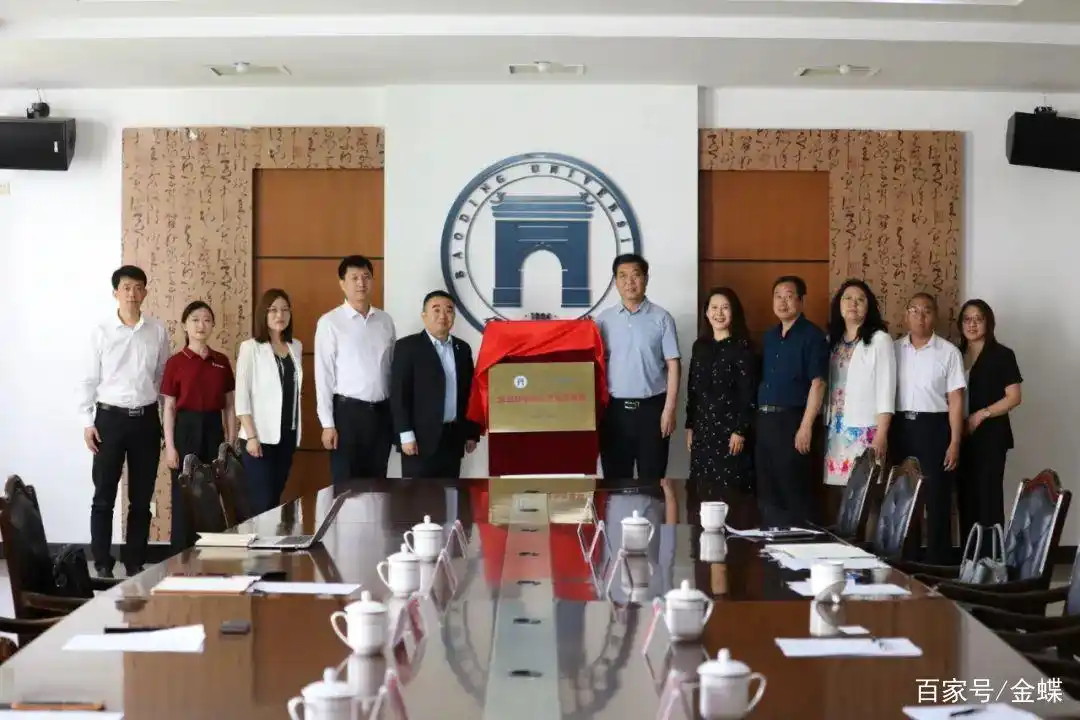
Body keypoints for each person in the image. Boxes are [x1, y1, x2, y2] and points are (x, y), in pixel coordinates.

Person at [78, 265, 170, 577]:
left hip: (145, 420)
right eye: (126, 287)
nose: (132, 293)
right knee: (104, 496)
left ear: (145, 292)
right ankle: (102, 563)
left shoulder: (157, 331)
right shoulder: (101, 331)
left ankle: (134, 562)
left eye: (138, 287)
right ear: (115, 292)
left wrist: (162, 423)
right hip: (109, 420)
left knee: (141, 499)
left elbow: (161, 378)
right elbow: (88, 379)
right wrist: (87, 422)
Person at [594, 254, 681, 490]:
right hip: (614, 412)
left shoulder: (662, 318)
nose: (629, 282)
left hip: (652, 410)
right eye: (622, 276)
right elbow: (595, 368)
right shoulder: (603, 321)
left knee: (652, 484)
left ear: (646, 279)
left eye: (636, 275)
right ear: (615, 281)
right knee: (614, 484)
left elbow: (673, 365)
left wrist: (669, 409)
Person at [890, 292, 965, 563]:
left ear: (935, 316)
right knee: (902, 497)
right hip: (900, 427)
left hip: (934, 428)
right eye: (915, 310)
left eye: (927, 311)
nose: (920, 317)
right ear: (906, 315)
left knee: (937, 497)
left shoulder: (949, 352)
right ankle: (904, 560)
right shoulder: (893, 350)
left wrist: (955, 441)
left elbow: (956, 400)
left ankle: (937, 562)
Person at [161, 301, 237, 552]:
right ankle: (180, 558)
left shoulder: (221, 361)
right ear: (185, 325)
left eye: (206, 320)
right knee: (184, 497)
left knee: (211, 495)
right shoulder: (175, 362)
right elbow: (169, 408)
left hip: (214, 430)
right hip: (185, 430)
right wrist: (170, 447)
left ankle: (210, 556)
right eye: (195, 319)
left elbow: (229, 406)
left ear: (213, 325)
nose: (201, 325)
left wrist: (230, 443)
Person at [315, 255, 396, 485]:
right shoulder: (330, 322)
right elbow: (324, 376)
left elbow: (391, 370)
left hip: (381, 415)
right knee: (347, 488)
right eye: (354, 278)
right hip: (347, 416)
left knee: (378, 486)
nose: (361, 283)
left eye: (366, 277)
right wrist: (327, 424)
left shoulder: (385, 321)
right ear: (342, 283)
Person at [756, 276, 829, 528]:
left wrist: (806, 426)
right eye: (778, 296)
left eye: (789, 296)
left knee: (793, 490)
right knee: (767, 490)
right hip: (765, 422)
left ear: (801, 300)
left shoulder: (812, 335)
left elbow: (818, 383)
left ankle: (801, 544)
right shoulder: (769, 336)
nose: (782, 302)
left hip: (793, 421)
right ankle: (772, 544)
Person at [390, 291, 479, 478]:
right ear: (424, 316)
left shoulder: (462, 349)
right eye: (436, 310)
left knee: (451, 493)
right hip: (419, 441)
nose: (443, 316)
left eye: (449, 310)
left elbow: (470, 393)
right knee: (418, 494)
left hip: (452, 438)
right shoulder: (407, 347)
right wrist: (405, 434)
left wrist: (471, 433)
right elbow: (399, 395)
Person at [823, 280, 895, 508]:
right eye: (847, 298)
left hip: (865, 429)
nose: (853, 304)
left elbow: (886, 388)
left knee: (867, 496)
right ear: (839, 305)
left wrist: (882, 433)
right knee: (840, 496)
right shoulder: (832, 340)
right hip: (836, 428)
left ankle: (867, 535)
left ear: (869, 306)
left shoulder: (879, 340)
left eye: (860, 300)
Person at [685, 287, 757, 514]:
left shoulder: (742, 348)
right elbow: (693, 389)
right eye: (714, 308)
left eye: (725, 308)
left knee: (730, 496)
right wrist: (690, 426)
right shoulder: (700, 346)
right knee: (701, 494)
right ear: (706, 313)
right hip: (702, 431)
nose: (719, 313)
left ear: (734, 312)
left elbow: (749, 393)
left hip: (730, 433)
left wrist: (740, 430)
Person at [956, 299, 1022, 542]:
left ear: (988, 323)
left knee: (988, 499)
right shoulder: (955, 354)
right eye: (967, 319)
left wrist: (981, 414)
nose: (972, 324)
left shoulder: (1002, 355)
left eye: (978, 319)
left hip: (991, 436)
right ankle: (969, 556)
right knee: (965, 498)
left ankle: (990, 557)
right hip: (961, 437)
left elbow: (1014, 397)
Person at [235, 289, 303, 514]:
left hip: (287, 435)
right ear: (263, 314)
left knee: (274, 499)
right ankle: (255, 539)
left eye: (284, 310)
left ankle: (269, 538)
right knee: (261, 502)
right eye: (273, 310)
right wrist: (251, 436)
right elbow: (242, 397)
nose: (279, 315)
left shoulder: (295, 347)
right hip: (259, 438)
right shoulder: (251, 348)